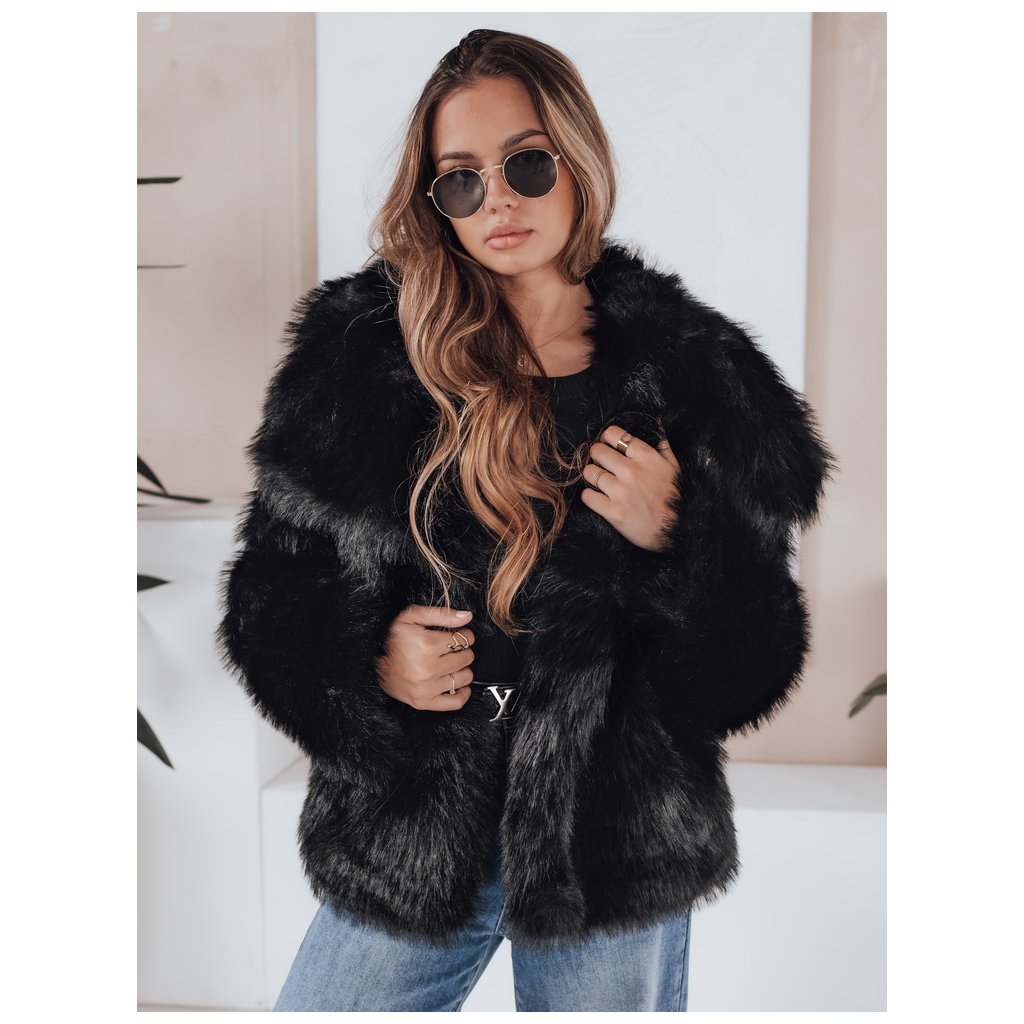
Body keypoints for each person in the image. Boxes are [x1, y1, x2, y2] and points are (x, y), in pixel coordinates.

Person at [216, 28, 837, 1013]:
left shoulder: (696, 374)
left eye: (526, 164)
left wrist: (677, 538)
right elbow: (269, 596)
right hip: (410, 834)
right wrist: (371, 664)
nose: (497, 200)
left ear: (577, 160)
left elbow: (749, 665)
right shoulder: (360, 358)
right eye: (460, 180)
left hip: (609, 854)